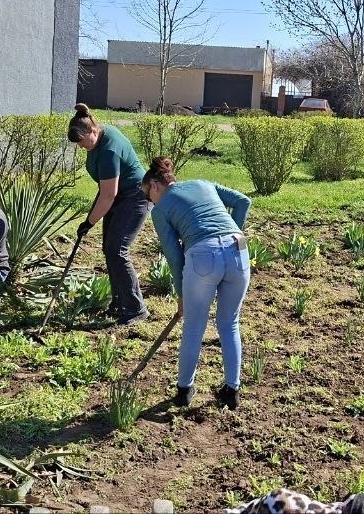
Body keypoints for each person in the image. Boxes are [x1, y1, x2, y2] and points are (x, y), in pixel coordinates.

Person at [142, 156, 251, 410]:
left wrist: (181, 296)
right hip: (238, 251)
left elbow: (174, 257)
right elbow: (243, 201)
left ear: (156, 186)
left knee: (193, 326)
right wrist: (233, 232)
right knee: (229, 323)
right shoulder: (203, 183)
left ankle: (183, 391)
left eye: (148, 196)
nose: (149, 202)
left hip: (203, 257)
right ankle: (232, 390)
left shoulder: (160, 210)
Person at [68, 103, 151, 325]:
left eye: (83, 142)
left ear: (93, 131)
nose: (81, 147)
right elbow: (105, 190)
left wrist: (89, 222)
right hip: (119, 196)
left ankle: (135, 309)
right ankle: (119, 304)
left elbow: (108, 195)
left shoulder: (108, 150)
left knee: (117, 250)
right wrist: (90, 220)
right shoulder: (100, 140)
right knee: (109, 249)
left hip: (134, 197)